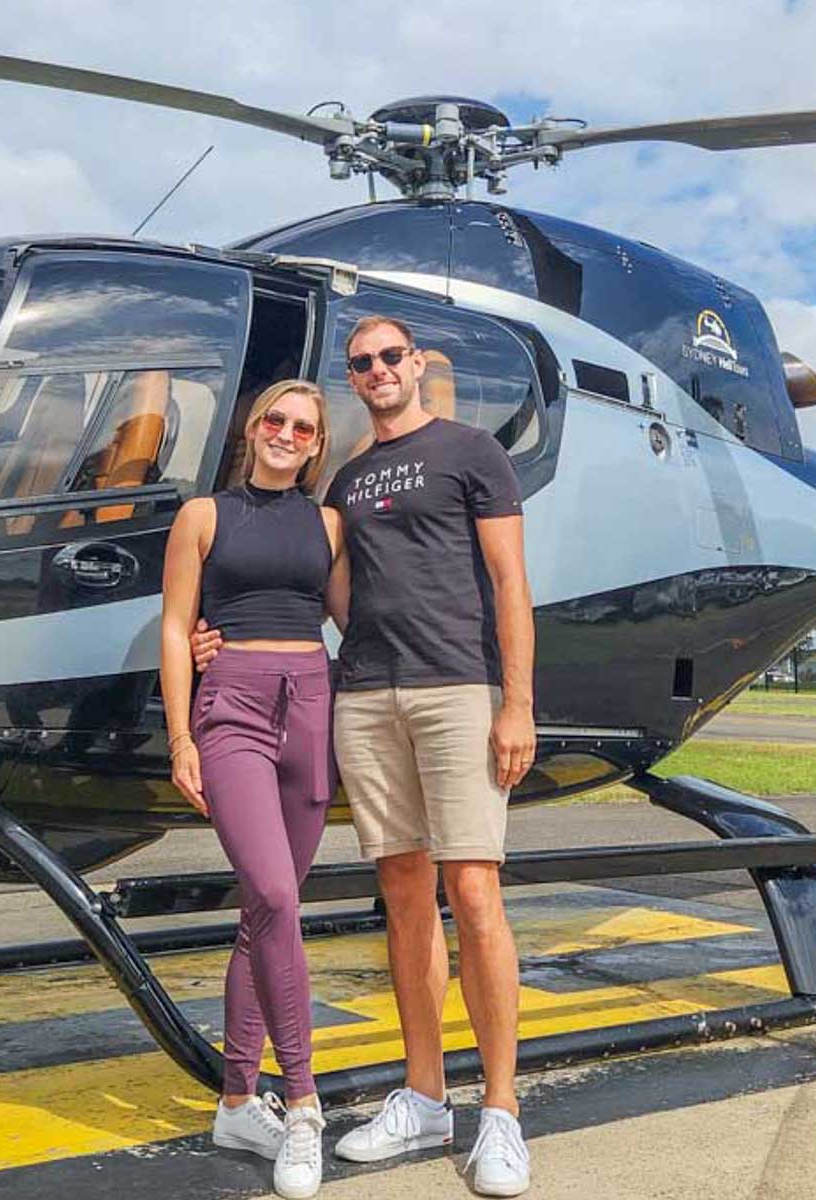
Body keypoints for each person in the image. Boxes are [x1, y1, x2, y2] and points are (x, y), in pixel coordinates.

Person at [194, 315, 536, 1197]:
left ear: (416, 364)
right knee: (404, 893)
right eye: (362, 363)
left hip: (457, 686)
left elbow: (510, 583)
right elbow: (306, 585)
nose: (378, 369)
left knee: (474, 889)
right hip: (365, 693)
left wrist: (517, 705)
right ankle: (425, 1094)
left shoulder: (471, 451)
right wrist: (217, 641)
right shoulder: (342, 480)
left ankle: (501, 1108)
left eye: (391, 356)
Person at [161, 378, 343, 1200]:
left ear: (314, 447)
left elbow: (354, 618)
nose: (285, 432)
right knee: (275, 891)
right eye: (275, 418)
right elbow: (174, 628)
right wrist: (179, 735)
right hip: (230, 706)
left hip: (311, 706)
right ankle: (302, 1103)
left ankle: (237, 1099)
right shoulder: (203, 516)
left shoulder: (328, 524)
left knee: (263, 913)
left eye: (303, 427)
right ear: (253, 427)